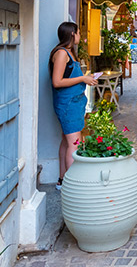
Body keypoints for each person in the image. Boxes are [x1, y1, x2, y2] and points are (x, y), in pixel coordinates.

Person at [49, 22, 97, 189]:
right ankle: (73, 184)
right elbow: (57, 81)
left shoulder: (69, 53)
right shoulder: (62, 54)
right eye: (78, 32)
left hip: (74, 103)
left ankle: (63, 180)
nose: (79, 35)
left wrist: (85, 80)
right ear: (72, 34)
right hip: (68, 104)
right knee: (74, 143)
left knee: (66, 141)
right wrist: (83, 79)